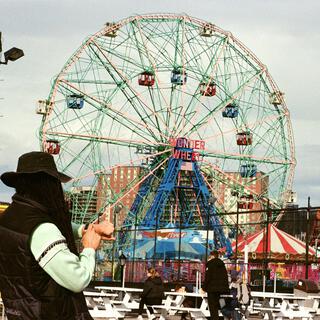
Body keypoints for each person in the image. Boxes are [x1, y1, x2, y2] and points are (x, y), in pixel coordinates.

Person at [0, 151, 115, 319]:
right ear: (47, 184)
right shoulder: (43, 229)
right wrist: (89, 248)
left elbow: (49, 227)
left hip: (20, 312)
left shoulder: (10, 217)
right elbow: (78, 279)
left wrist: (85, 230)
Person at [200, 250, 229, 320]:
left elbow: (208, 277)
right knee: (216, 305)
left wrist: (203, 288)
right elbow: (225, 276)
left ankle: (214, 318)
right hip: (221, 289)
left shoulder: (210, 264)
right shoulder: (222, 264)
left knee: (212, 307)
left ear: (212, 256)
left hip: (212, 288)